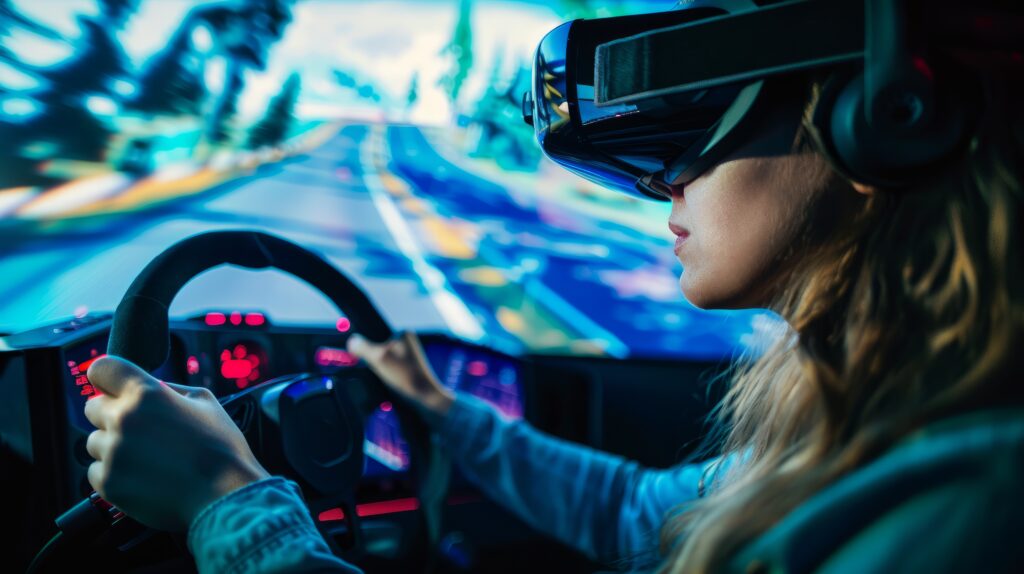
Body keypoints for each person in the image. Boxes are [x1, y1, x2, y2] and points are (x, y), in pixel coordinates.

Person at [81, 1, 1024, 572]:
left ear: (889, 117)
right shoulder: (858, 440)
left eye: (701, 115)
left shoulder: (963, 503)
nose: (664, 177)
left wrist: (224, 499)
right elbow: (632, 513)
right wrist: (445, 410)